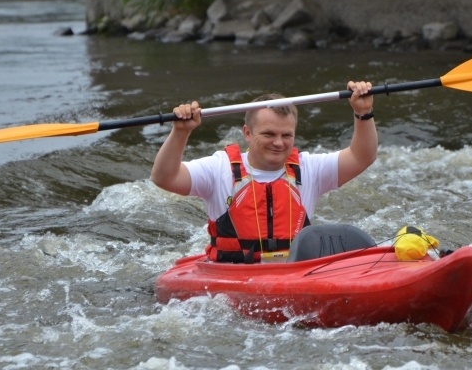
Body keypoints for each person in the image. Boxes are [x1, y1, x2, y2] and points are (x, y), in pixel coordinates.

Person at [151, 81, 377, 263]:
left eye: (286, 135)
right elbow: (164, 178)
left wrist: (363, 113)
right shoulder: (218, 168)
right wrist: (180, 132)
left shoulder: (309, 169)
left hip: (292, 273)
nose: (279, 143)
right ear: (247, 133)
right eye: (269, 134)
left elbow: (361, 156)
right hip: (232, 275)